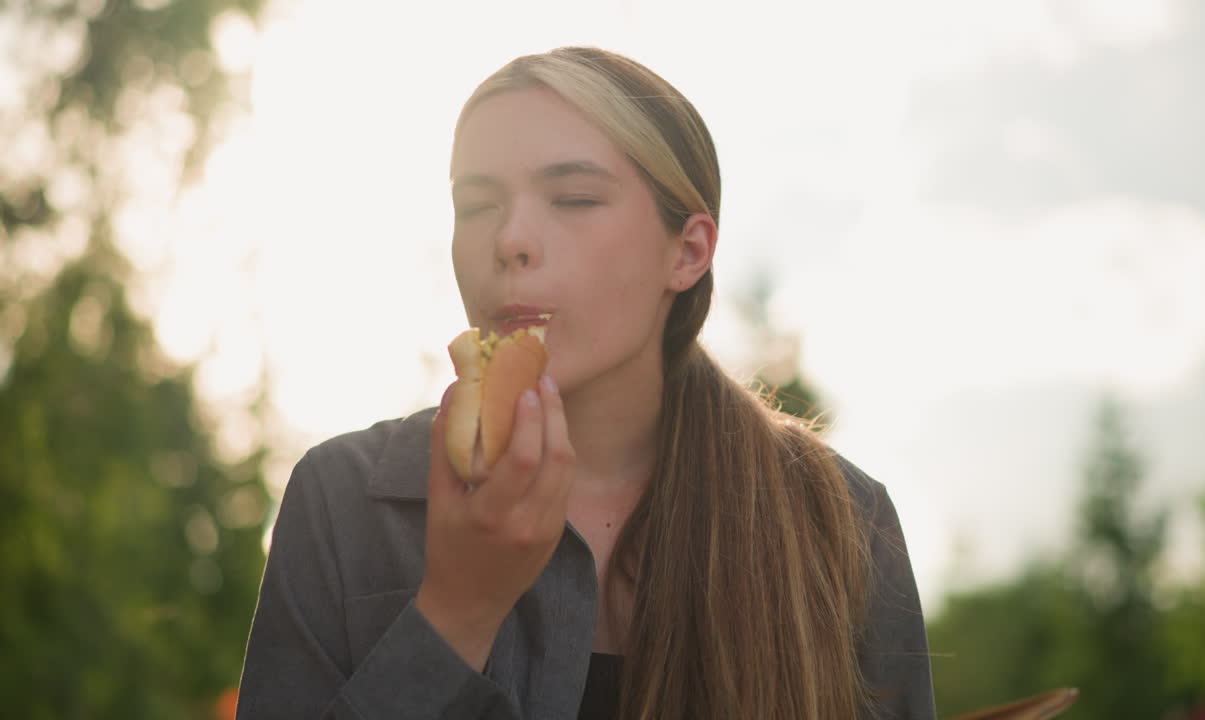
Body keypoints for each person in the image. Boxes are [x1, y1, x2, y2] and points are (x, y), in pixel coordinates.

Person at [236, 46, 935, 720]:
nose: (510, 239)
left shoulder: (841, 518)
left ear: (687, 252)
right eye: (476, 205)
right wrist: (457, 612)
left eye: (572, 198)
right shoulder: (342, 502)